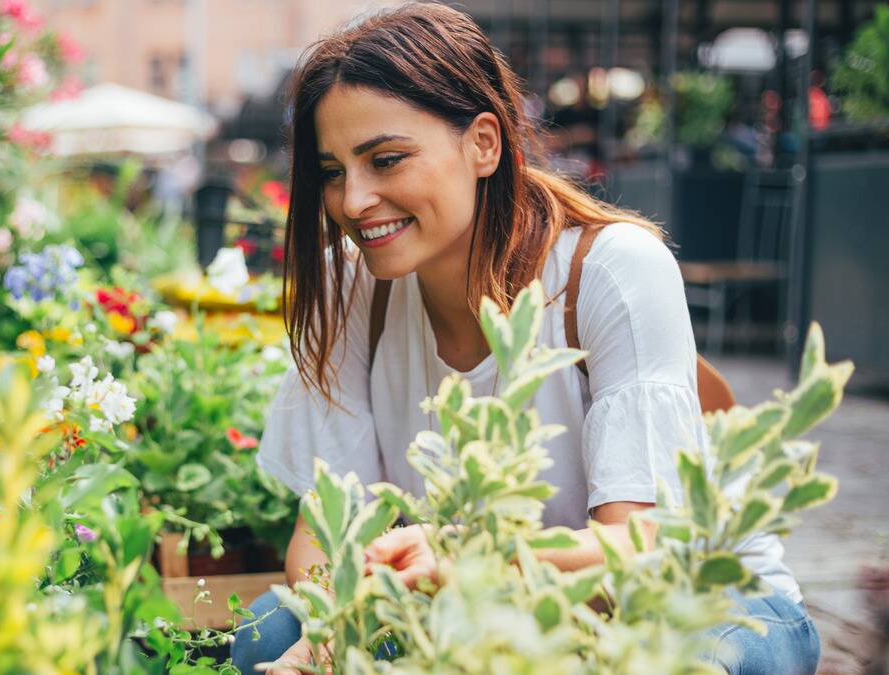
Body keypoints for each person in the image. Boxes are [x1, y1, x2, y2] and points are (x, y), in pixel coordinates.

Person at [229, 4, 819, 674]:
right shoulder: (351, 287)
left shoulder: (613, 269)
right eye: (332, 171)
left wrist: (468, 556)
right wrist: (337, 629)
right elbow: (321, 542)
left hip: (684, 606)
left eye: (385, 159)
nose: (354, 200)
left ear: (484, 142)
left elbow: (639, 552)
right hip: (469, 609)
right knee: (270, 632)